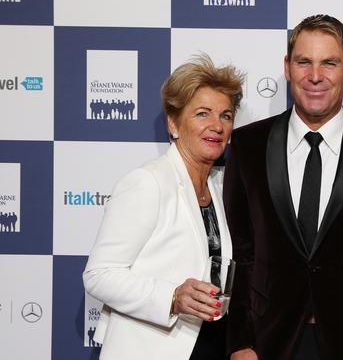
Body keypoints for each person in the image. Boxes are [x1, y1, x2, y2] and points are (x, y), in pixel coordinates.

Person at [225, 14, 343, 360]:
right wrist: (239, 342)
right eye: (304, 62)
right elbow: (241, 253)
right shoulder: (247, 145)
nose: (315, 76)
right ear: (287, 67)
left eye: (329, 63)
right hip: (269, 343)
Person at [83, 54, 244, 360]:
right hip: (151, 349)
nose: (217, 125)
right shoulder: (148, 183)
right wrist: (172, 297)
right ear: (174, 123)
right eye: (202, 114)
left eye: (225, 115)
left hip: (210, 345)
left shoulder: (222, 186)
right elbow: (99, 274)